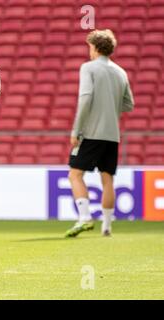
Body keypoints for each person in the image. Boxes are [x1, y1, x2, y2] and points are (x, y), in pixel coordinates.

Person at [65, 29, 134, 238]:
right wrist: (109, 106)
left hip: (91, 132)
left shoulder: (88, 68)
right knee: (107, 180)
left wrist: (76, 130)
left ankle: (85, 216)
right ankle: (106, 226)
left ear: (94, 47)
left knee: (75, 174)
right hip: (112, 135)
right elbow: (129, 105)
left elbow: (85, 99)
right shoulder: (120, 72)